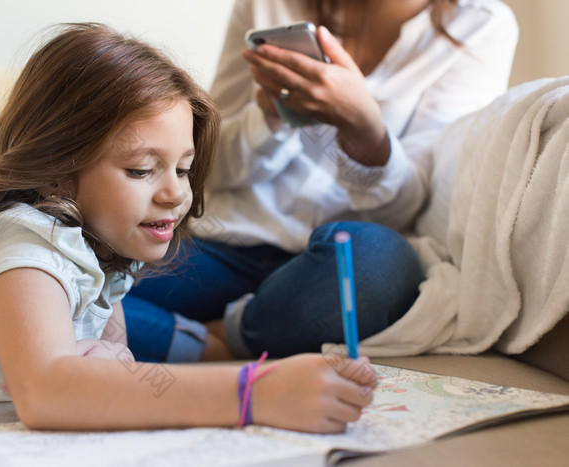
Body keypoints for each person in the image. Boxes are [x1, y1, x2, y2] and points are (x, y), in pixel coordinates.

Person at [0, 23, 378, 433]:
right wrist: (254, 391)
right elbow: (47, 392)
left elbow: (121, 369)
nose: (176, 193)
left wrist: (106, 365)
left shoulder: (104, 249)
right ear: (58, 173)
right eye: (140, 170)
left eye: (183, 168)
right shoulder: (24, 242)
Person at [123, 0, 519, 362]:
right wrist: (269, 119)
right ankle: (224, 347)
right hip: (223, 244)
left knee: (378, 268)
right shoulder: (266, 6)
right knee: (79, 284)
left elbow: (416, 204)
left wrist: (364, 127)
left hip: (336, 260)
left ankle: (221, 337)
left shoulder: (481, 25)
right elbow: (206, 167)